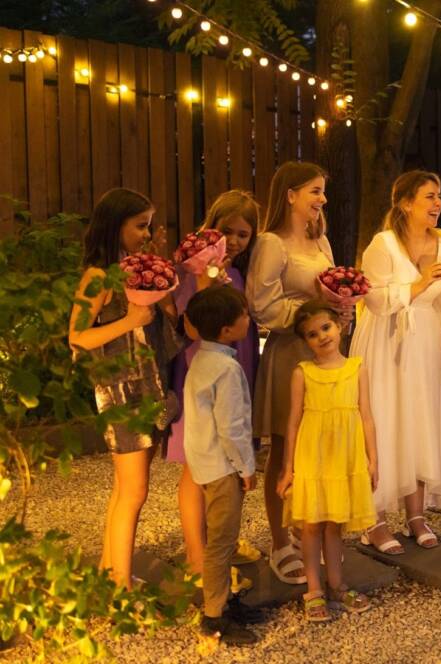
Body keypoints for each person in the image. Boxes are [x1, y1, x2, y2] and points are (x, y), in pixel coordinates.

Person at [350, 170, 441, 554]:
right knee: (383, 421)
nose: (438, 204)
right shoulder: (382, 244)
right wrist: (417, 284)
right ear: (405, 203)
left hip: (425, 342)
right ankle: (375, 520)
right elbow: (374, 299)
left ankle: (417, 515)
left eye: (439, 196)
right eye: (429, 197)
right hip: (385, 341)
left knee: (419, 420)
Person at [68, 188, 179, 588]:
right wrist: (129, 321)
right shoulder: (98, 277)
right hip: (121, 392)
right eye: (140, 226)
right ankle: (120, 582)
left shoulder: (138, 270)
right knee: (135, 490)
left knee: (126, 487)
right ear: (116, 226)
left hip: (150, 385)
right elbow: (78, 337)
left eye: (148, 225)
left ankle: (109, 568)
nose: (147, 234)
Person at [246, 162, 334, 585]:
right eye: (314, 191)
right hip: (290, 353)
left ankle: (305, 526)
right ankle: (279, 541)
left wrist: (341, 311)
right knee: (285, 448)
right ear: (291, 195)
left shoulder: (322, 242)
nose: (321, 200)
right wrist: (310, 312)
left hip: (325, 353)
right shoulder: (271, 243)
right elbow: (261, 306)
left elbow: (334, 292)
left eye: (322, 192)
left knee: (316, 448)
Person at [167, 190, 261, 583]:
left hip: (235, 363)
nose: (236, 242)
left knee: (225, 457)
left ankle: (219, 537)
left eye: (244, 235)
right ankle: (195, 554)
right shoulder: (194, 269)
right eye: (228, 232)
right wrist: (208, 274)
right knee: (198, 462)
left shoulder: (237, 272)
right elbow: (191, 322)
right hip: (202, 370)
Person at [277, 301, 378, 622]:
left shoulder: (357, 368)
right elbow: (292, 422)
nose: (322, 337)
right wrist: (287, 468)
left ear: (340, 326)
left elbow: (367, 417)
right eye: (312, 334)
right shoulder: (302, 373)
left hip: (344, 458)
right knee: (311, 525)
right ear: (305, 341)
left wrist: (373, 460)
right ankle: (314, 589)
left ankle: (337, 585)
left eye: (326, 328)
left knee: (335, 524)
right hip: (312, 457)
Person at [183, 286, 260, 646]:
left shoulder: (200, 358)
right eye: (244, 314)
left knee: (222, 539)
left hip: (204, 463)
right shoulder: (227, 369)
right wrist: (245, 467)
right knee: (222, 542)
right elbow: (231, 426)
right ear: (228, 329)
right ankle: (214, 615)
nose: (249, 318)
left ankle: (225, 601)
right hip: (222, 467)